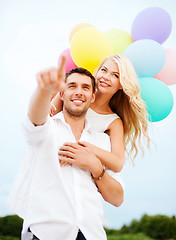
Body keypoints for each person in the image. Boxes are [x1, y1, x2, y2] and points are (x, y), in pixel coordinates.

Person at [9, 56, 124, 240]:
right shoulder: (48, 128)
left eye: (86, 87)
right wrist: (44, 90)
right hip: (44, 233)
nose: (79, 92)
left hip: (91, 234)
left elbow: (117, 198)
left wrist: (94, 166)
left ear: (93, 95)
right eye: (72, 86)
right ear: (61, 94)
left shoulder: (101, 140)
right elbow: (34, 119)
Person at [50, 54, 150, 171]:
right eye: (104, 70)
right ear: (97, 72)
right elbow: (47, 119)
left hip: (78, 172)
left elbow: (118, 163)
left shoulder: (113, 121)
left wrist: (84, 149)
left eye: (115, 75)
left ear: (122, 85)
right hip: (52, 157)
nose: (106, 77)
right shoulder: (72, 95)